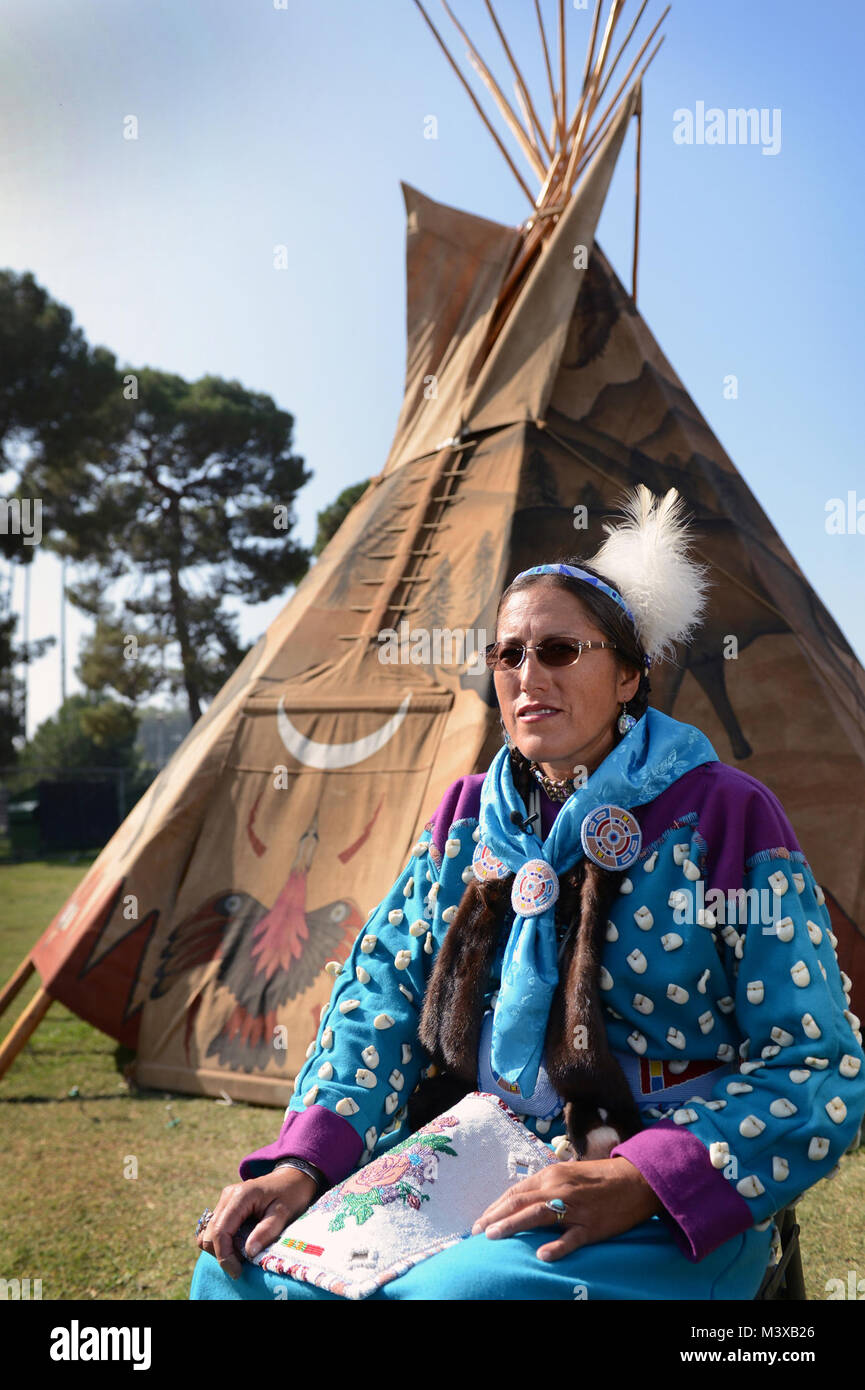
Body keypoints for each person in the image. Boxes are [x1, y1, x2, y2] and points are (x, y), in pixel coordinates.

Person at [191, 484, 865, 1301]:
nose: (525, 674)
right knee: (239, 1270)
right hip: (474, 1151)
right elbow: (382, 1001)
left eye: (557, 650)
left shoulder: (720, 813)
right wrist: (304, 1161)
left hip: (654, 1173)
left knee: (458, 1299)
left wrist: (645, 1178)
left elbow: (812, 1063)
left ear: (627, 674)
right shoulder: (468, 817)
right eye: (507, 654)